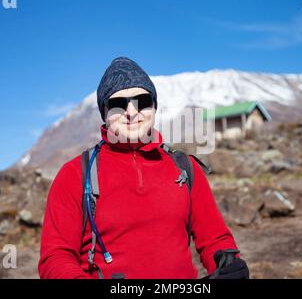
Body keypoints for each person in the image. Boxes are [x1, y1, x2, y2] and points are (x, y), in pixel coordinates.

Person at [38, 57, 249, 279]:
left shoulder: (184, 168)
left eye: (142, 100)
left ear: (154, 107)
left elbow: (215, 239)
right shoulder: (75, 175)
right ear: (104, 113)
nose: (131, 111)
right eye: (118, 104)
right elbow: (55, 257)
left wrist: (227, 262)